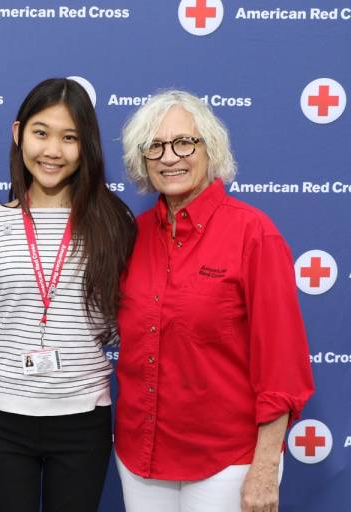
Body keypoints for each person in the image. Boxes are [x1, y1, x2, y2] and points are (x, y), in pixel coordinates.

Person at [116, 90, 315, 512]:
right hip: (141, 455)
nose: (170, 157)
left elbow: (283, 365)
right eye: (155, 146)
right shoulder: (134, 235)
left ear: (211, 148)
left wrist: (265, 467)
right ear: (143, 160)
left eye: (185, 142)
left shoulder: (254, 234)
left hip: (227, 461)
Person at [0, 78, 136, 511]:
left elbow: (118, 327)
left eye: (69, 137)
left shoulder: (115, 223)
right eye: (41, 133)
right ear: (17, 133)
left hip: (82, 418)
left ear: (87, 146)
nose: (53, 151)